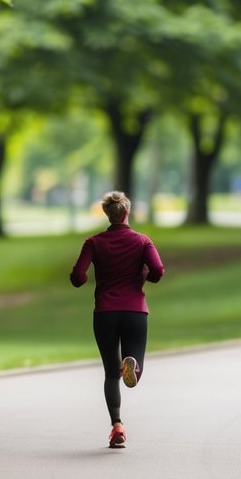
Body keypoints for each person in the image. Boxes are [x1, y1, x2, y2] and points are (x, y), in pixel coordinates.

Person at [69, 191, 164, 448]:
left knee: (111, 374)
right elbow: (158, 270)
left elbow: (77, 277)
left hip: (105, 313)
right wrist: (145, 276)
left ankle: (117, 426)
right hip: (135, 311)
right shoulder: (143, 241)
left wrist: (88, 277)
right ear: (127, 213)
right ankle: (132, 365)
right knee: (133, 367)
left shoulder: (93, 242)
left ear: (107, 213)